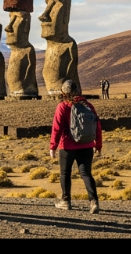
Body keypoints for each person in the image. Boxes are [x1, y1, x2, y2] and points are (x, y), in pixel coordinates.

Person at [50, 80, 102, 214]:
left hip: (67, 146)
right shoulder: (88, 105)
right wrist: (98, 145)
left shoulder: (62, 106)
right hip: (87, 146)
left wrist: (53, 146)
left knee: (65, 173)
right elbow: (97, 126)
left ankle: (65, 201)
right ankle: (94, 201)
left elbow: (57, 128)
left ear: (64, 92)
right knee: (86, 174)